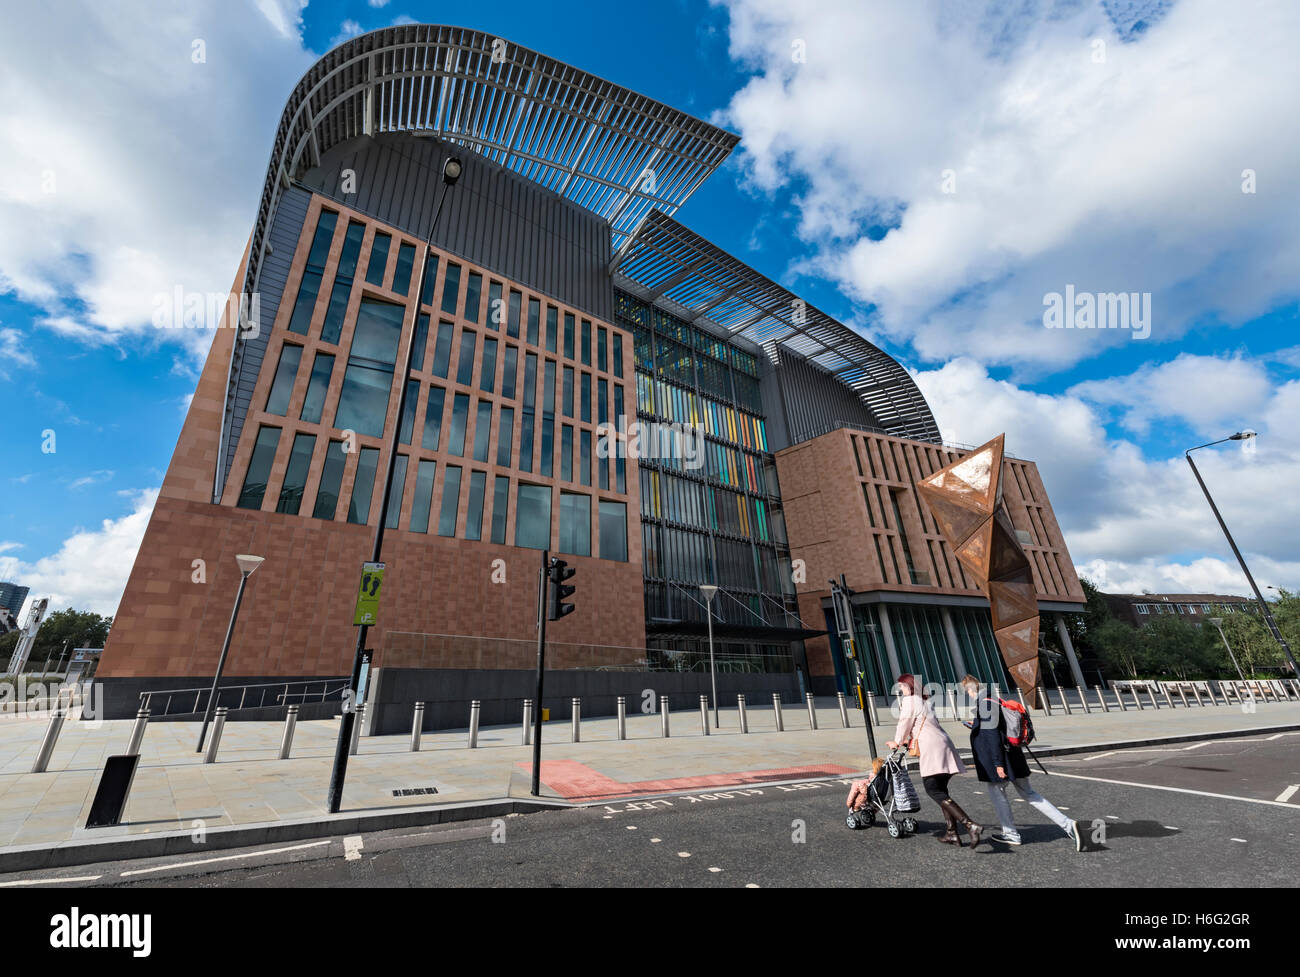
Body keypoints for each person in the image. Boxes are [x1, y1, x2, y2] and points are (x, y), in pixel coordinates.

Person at [960, 674, 1082, 850]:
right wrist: (976, 725)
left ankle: (1010, 834)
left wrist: (998, 764)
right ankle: (1068, 825)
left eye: (967, 692)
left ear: (970, 689)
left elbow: (992, 735)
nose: (968, 695)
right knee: (1029, 793)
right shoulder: (995, 700)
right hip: (1013, 754)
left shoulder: (984, 704)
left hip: (1002, 758)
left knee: (997, 792)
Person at [886, 673, 982, 848]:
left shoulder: (910, 701)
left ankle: (970, 825)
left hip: (932, 747)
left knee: (932, 789)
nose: (899, 689)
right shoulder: (925, 701)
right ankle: (952, 833)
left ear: (908, 686)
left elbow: (904, 722)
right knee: (941, 790)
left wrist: (897, 742)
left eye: (901, 686)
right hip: (944, 743)